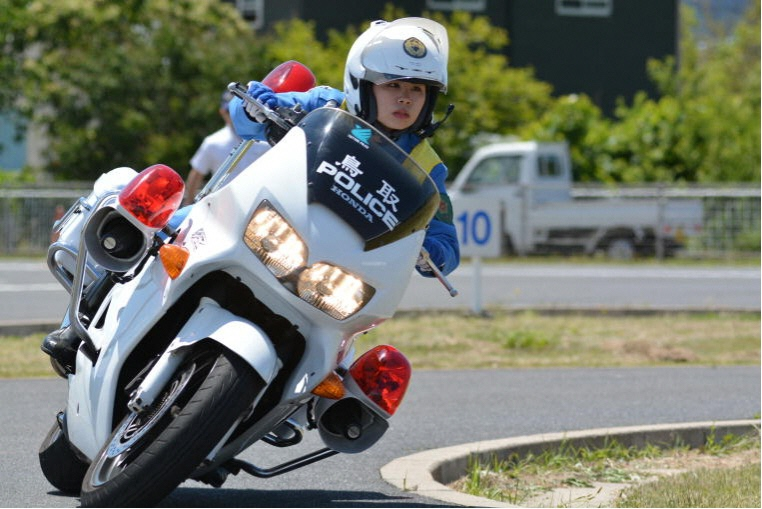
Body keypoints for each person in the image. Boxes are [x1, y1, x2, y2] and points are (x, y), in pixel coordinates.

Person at [229, 17, 460, 277]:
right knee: (185, 227)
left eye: (417, 89)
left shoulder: (427, 165)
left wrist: (429, 251)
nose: (405, 98)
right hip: (271, 222)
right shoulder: (326, 105)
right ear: (362, 85)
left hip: (339, 270)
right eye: (393, 85)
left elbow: (448, 246)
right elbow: (240, 115)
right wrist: (254, 106)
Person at [182, 90, 270, 206]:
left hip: (261, 204)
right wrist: (189, 204)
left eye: (239, 109)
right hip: (225, 208)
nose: (234, 114)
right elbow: (197, 173)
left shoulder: (266, 139)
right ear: (222, 113)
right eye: (229, 111)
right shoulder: (212, 143)